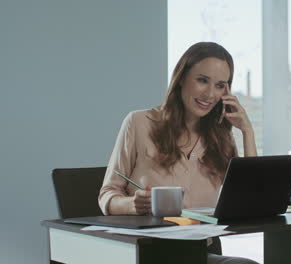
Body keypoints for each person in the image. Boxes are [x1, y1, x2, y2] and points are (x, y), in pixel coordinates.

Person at [98, 42, 259, 264]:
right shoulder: (138, 123)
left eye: (220, 85)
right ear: (182, 78)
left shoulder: (220, 139)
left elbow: (251, 200)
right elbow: (107, 194)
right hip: (145, 252)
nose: (210, 94)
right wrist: (132, 205)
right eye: (202, 80)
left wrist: (247, 131)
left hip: (200, 251)